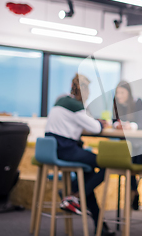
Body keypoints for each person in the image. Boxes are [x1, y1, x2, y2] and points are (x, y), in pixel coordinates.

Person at [44, 73, 115, 236]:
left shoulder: (60, 101)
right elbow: (96, 129)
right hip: (66, 150)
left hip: (54, 149)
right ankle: (74, 195)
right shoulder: (76, 105)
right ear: (84, 90)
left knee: (88, 174)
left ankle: (100, 226)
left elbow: (75, 123)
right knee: (107, 164)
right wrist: (100, 122)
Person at [112, 80, 142, 210]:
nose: (119, 95)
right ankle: (133, 192)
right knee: (128, 157)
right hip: (125, 145)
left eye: (122, 92)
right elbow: (113, 120)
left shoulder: (137, 102)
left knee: (133, 157)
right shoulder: (116, 103)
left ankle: (133, 191)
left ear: (128, 92)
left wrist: (131, 126)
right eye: (117, 93)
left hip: (138, 144)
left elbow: (141, 123)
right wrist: (117, 125)